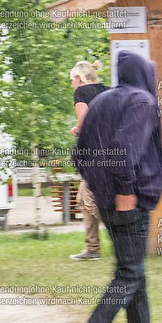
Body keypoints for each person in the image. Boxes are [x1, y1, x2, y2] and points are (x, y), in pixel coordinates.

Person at [70, 51, 162, 323]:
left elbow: (79, 152)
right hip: (130, 200)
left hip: (107, 199)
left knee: (133, 267)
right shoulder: (141, 101)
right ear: (144, 74)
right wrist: (124, 190)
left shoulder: (102, 100)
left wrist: (100, 185)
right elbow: (125, 151)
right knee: (129, 273)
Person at [69, 61, 109, 261]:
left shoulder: (81, 93)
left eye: (71, 80)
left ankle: (124, 232)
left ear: (79, 78)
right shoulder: (107, 91)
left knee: (89, 200)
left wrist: (76, 130)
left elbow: (85, 124)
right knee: (83, 199)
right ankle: (92, 248)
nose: (71, 85)